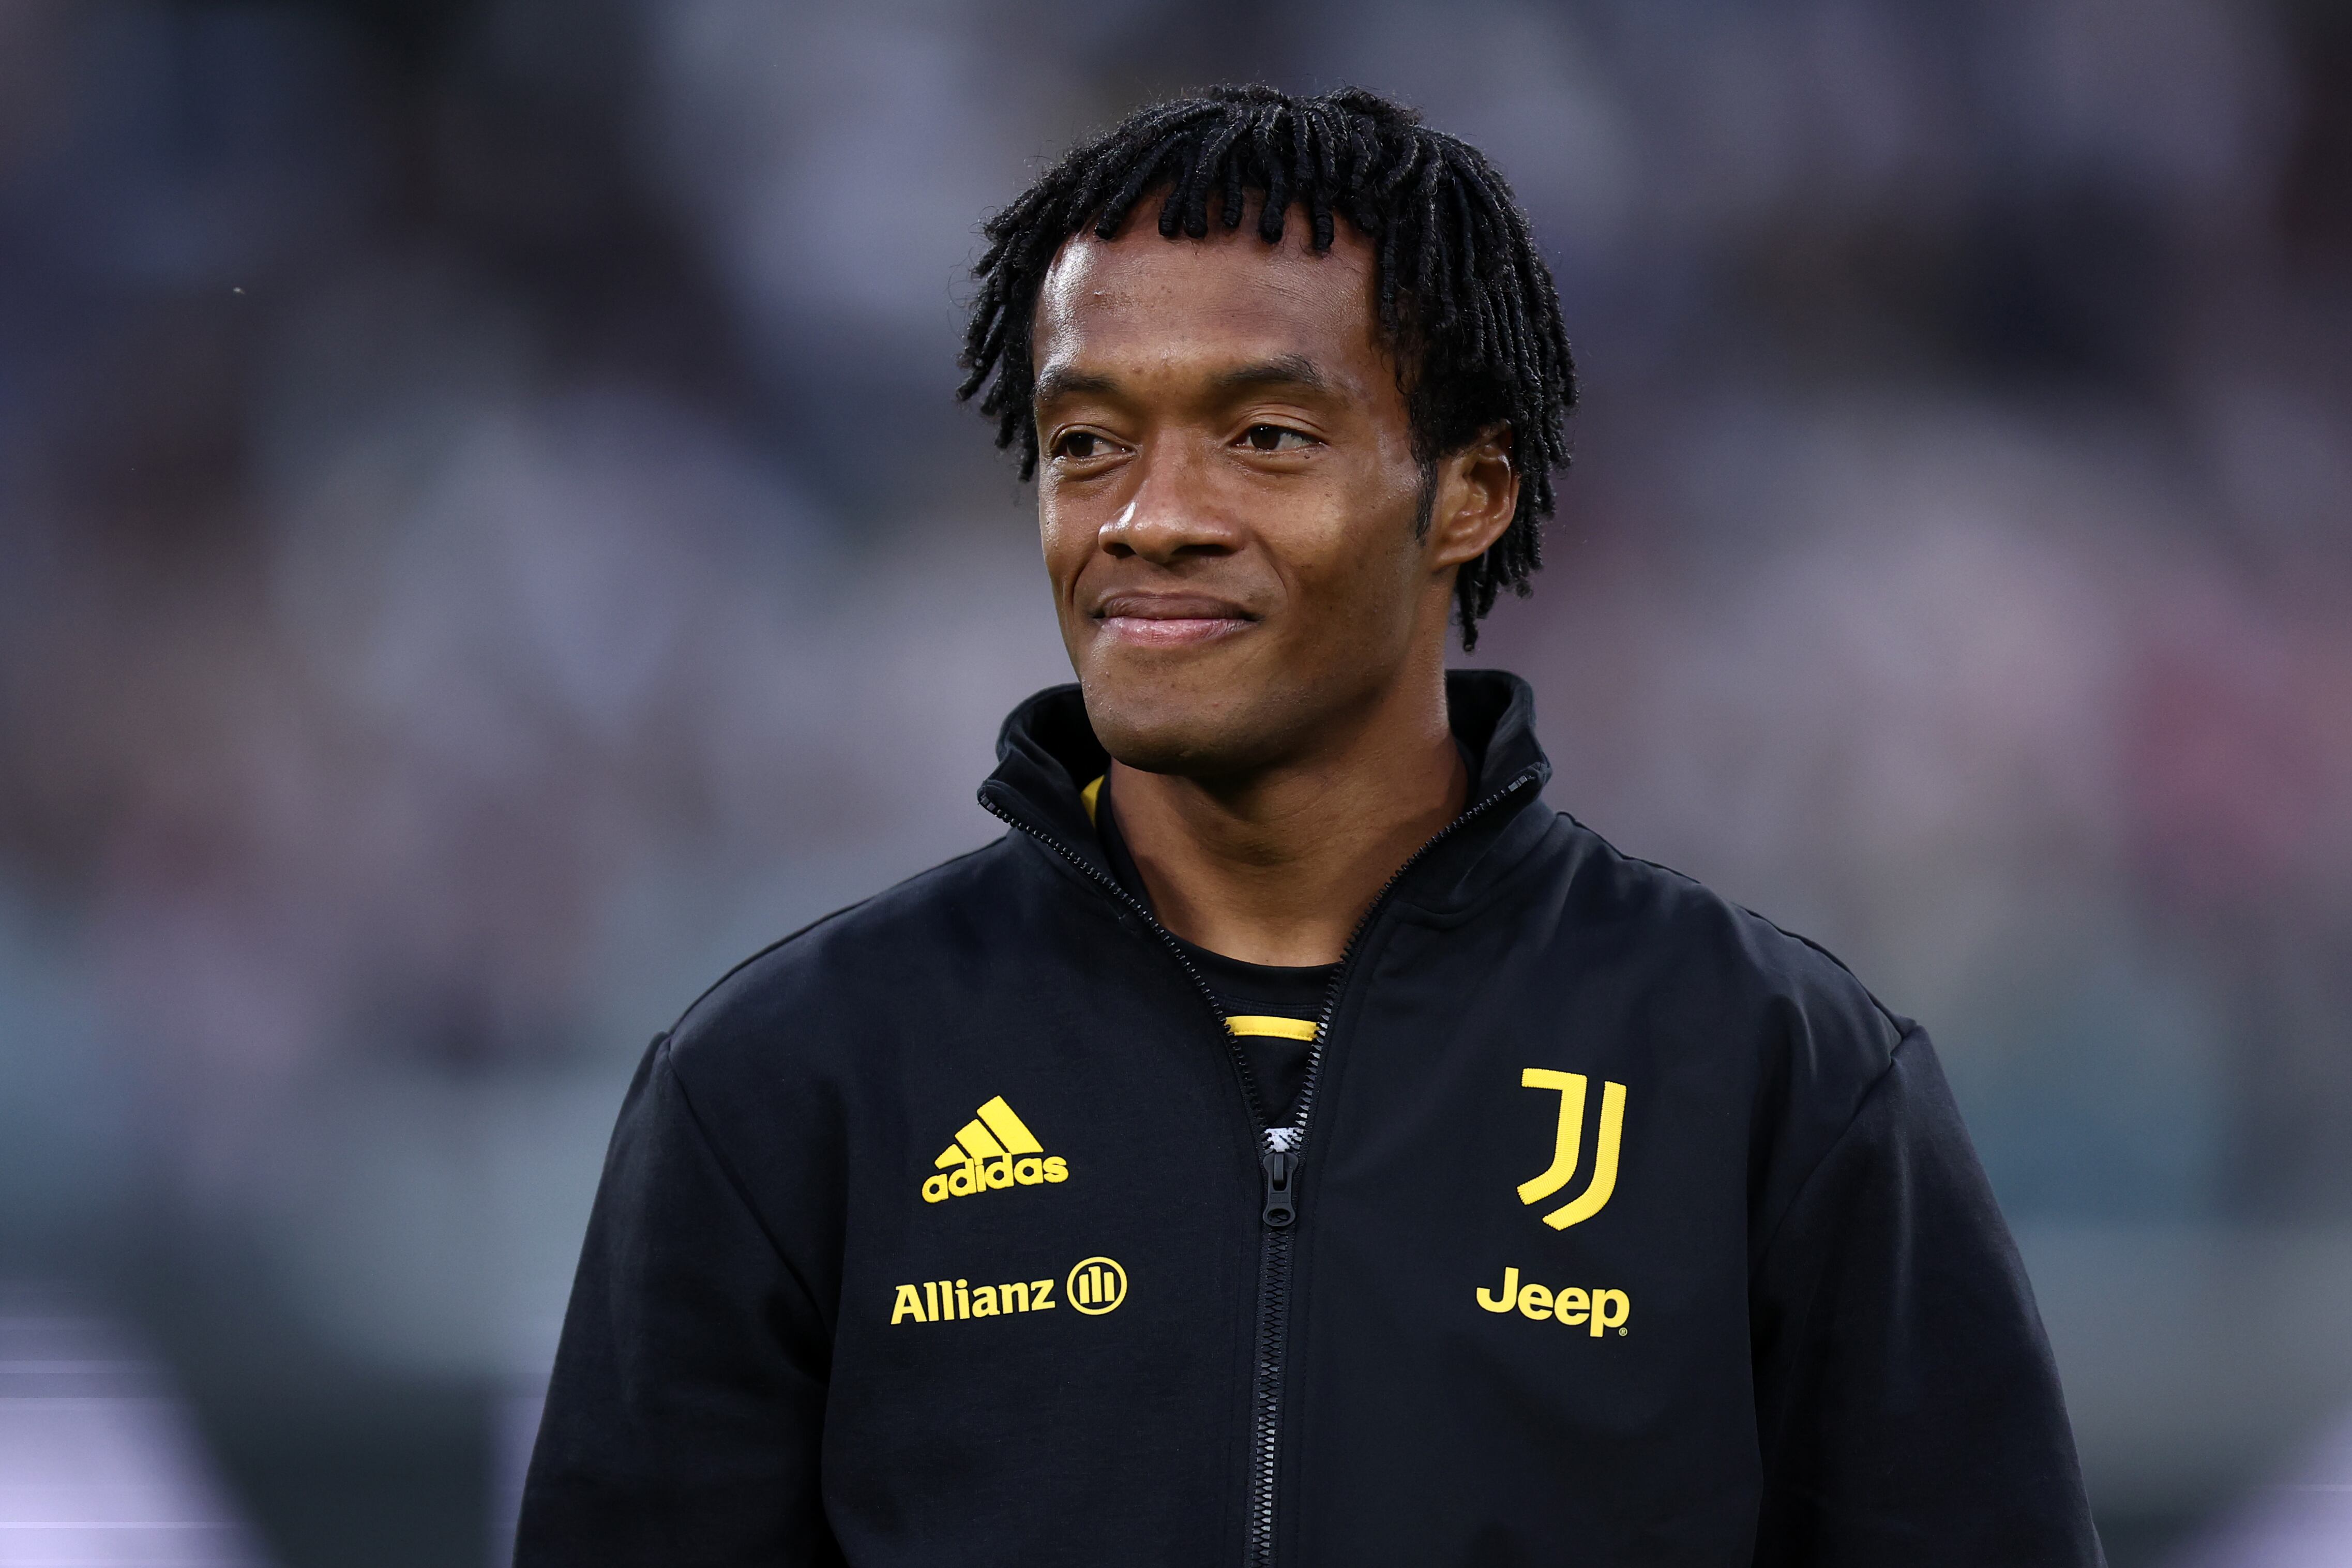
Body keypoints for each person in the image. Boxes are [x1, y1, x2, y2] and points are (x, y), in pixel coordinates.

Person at [516, 85, 2102, 1565]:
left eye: (1264, 437)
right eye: (1087, 445)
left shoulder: (1777, 1081)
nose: (1150, 515)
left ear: (1468, 494)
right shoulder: (787, 1087)